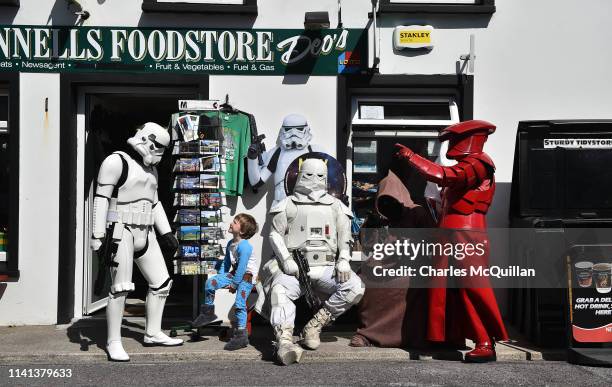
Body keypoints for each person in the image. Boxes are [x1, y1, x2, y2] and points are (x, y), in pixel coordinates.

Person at [394, 120, 509, 363]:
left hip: (467, 233)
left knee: (472, 288)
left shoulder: (479, 164)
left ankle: (485, 341)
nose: (453, 145)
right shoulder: (472, 165)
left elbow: (444, 175)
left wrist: (413, 157)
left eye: (457, 139)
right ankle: (465, 338)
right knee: (451, 290)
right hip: (452, 232)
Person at [91, 122, 183, 362]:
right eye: (157, 146)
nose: (159, 152)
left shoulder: (151, 170)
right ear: (146, 139)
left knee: (161, 283)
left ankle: (152, 332)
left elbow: (154, 203)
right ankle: (113, 341)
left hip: (146, 231)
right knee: (120, 288)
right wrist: (97, 235)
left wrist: (166, 233)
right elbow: (100, 199)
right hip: (121, 230)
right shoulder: (116, 162)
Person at [264, 158, 365, 365]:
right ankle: (284, 340)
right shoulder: (287, 204)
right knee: (279, 292)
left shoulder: (336, 206)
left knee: (355, 287)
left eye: (320, 176)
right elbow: (275, 235)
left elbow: (345, 236)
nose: (313, 180)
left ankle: (315, 326)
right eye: (309, 174)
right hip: (294, 268)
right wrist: (285, 259)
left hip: (327, 266)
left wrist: (344, 259)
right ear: (300, 175)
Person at [350, 169, 435, 348]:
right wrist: (373, 225)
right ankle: (369, 333)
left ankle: (412, 337)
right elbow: (367, 245)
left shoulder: (417, 213)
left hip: (412, 266)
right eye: (384, 201)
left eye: (391, 200)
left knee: (411, 287)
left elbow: (432, 244)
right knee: (364, 281)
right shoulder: (382, 217)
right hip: (385, 263)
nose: (388, 205)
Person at [191, 213, 260, 351]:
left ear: (241, 231)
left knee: (240, 304)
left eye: (235, 222)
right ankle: (208, 313)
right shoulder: (231, 244)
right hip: (236, 274)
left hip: (247, 277)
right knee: (210, 283)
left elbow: (242, 268)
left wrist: (234, 284)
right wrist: (221, 278)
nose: (231, 223)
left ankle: (241, 336)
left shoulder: (244, 247)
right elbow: (227, 264)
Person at [247, 114, 325, 205]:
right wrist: (252, 158)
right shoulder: (277, 152)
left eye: (299, 129)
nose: (293, 134)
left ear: (306, 130)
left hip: (309, 205)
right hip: (281, 206)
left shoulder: (316, 151)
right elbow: (256, 182)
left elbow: (331, 181)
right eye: (289, 129)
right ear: (283, 130)